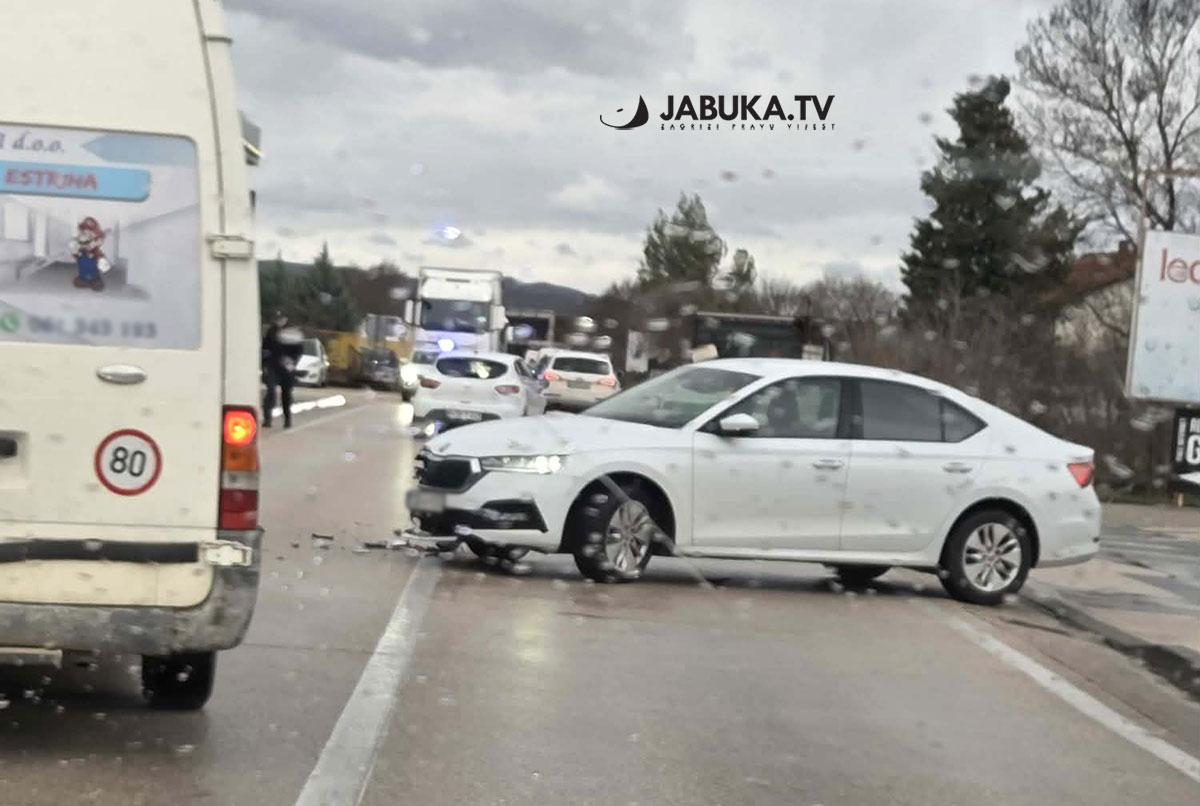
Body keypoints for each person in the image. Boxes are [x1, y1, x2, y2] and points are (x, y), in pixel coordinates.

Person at [261, 311, 302, 428]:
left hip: (287, 368)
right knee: (271, 392)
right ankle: (267, 419)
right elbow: (265, 348)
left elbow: (299, 349)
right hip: (273, 366)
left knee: (286, 394)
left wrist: (293, 361)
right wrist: (264, 364)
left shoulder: (293, 332)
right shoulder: (272, 331)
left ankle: (287, 419)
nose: (279, 321)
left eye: (281, 318)